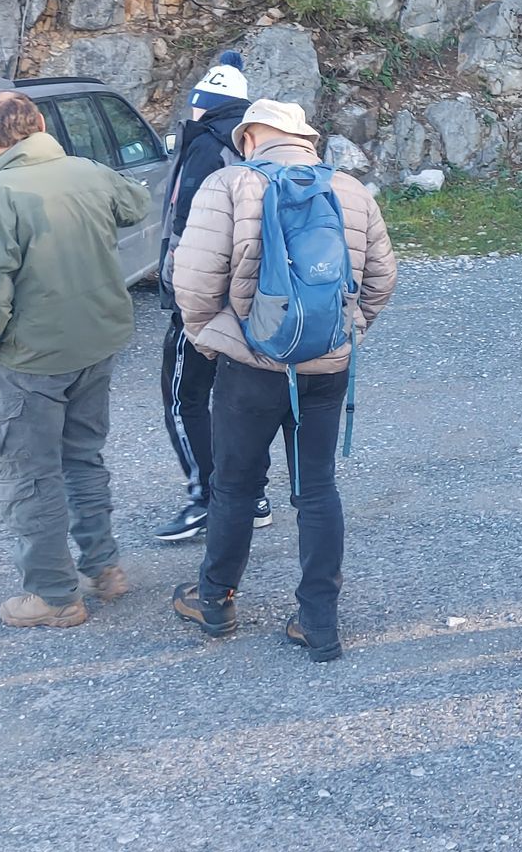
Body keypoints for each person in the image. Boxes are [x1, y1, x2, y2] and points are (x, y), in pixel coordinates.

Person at [168, 99, 397, 662]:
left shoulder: (228, 185)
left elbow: (192, 282)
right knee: (316, 488)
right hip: (327, 366)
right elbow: (381, 278)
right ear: (305, 140)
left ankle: (216, 601)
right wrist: (347, 331)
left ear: (250, 138)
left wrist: (216, 340)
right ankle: (319, 622)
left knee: (234, 486)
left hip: (248, 368)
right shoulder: (350, 190)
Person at [0, 90, 153, 628]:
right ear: (41, 124)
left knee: (30, 474)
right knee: (83, 457)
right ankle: (104, 568)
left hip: (32, 355)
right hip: (95, 342)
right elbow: (137, 204)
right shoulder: (87, 172)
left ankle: (54, 595)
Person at [154, 52, 278, 543]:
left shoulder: (205, 146)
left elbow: (188, 230)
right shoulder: (254, 145)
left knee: (183, 398)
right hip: (251, 296)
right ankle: (253, 495)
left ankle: (206, 496)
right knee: (238, 400)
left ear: (202, 103)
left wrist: (176, 293)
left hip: (202, 299)